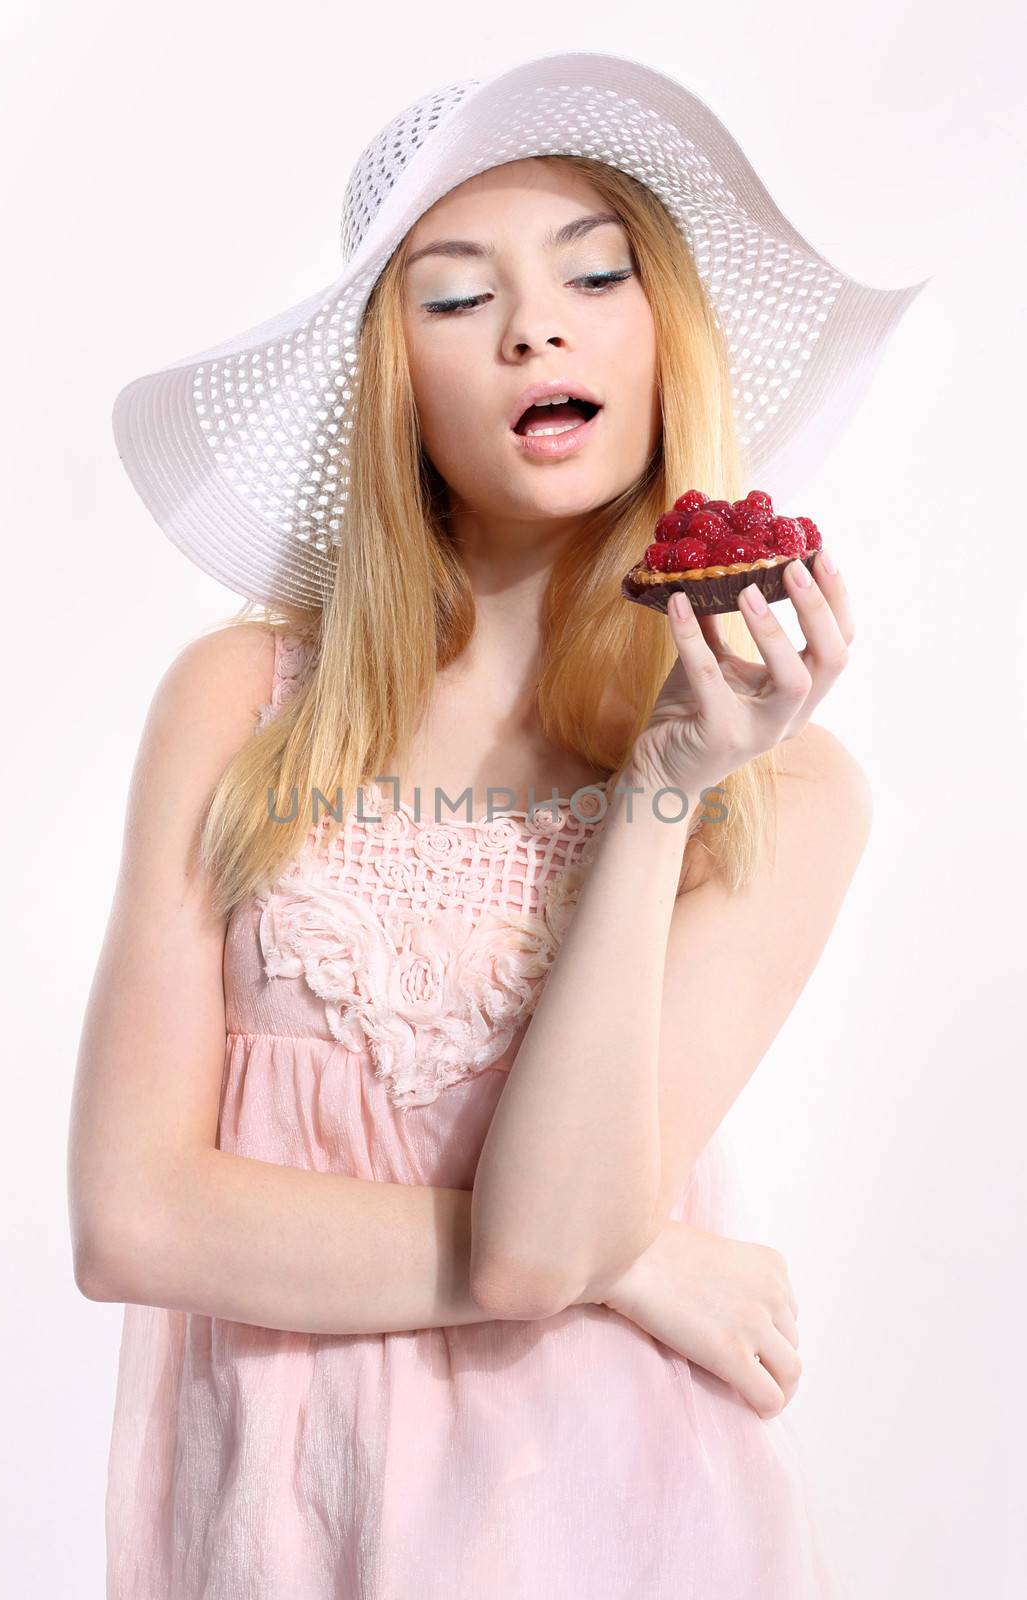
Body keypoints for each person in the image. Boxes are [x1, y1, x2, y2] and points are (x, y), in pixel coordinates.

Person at [70, 51, 929, 1599]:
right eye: (458, 297)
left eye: (596, 275)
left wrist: (665, 787)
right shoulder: (238, 704)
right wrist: (644, 1264)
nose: (536, 323)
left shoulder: (783, 792)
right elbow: (132, 1218)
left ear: (664, 336)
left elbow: (545, 1249)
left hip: (610, 1517)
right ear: (393, 380)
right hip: (286, 1513)